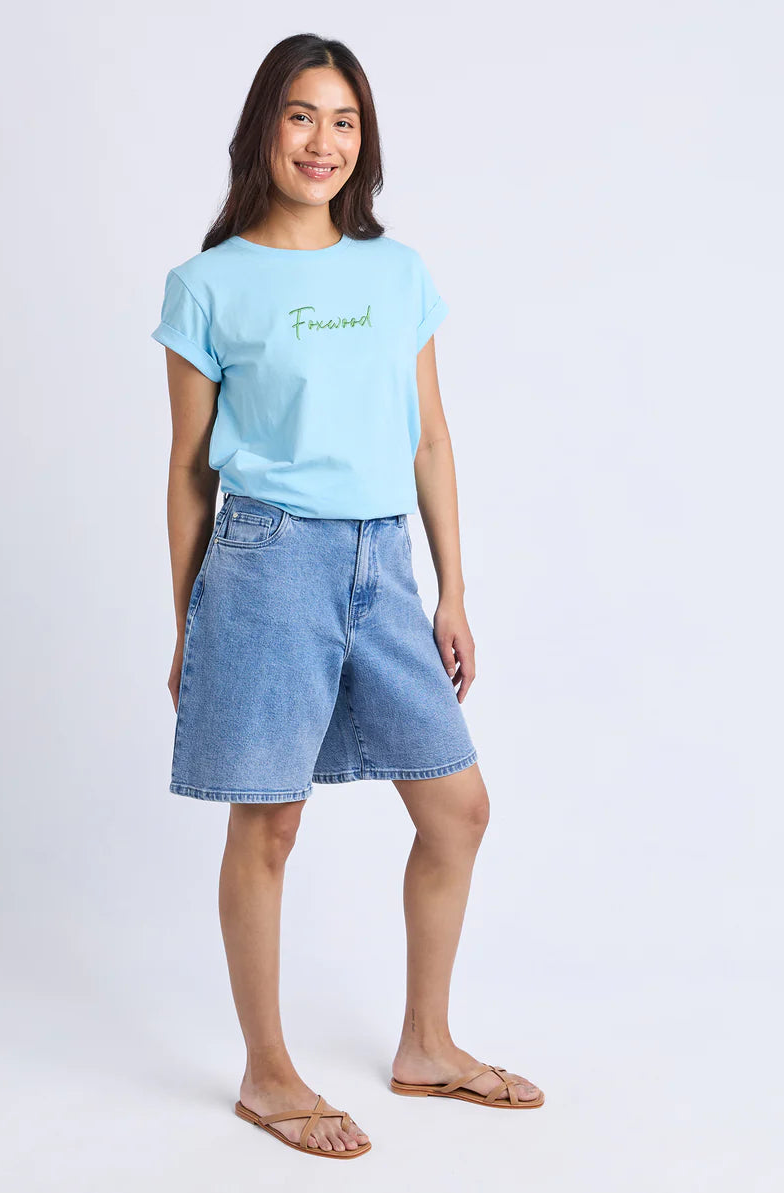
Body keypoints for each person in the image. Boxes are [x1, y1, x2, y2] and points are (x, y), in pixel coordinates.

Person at [151, 33, 544, 1160]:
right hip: (266, 562)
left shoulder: (395, 272)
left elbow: (430, 438)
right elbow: (188, 469)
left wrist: (452, 590)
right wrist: (186, 624)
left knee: (457, 809)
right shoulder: (207, 285)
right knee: (269, 820)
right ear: (262, 131)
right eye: (300, 115)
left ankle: (426, 1044)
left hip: (385, 563)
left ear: (361, 142)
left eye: (344, 120)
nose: (321, 142)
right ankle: (267, 1072)